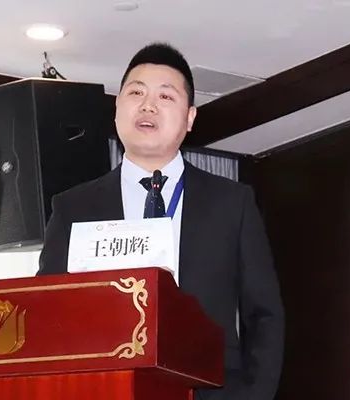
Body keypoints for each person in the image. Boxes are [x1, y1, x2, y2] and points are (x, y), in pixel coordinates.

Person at [37, 42, 284, 400]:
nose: (148, 105)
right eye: (136, 92)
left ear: (190, 118)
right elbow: (47, 312)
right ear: (117, 108)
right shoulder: (72, 208)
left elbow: (265, 316)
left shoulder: (232, 203)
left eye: (165, 96)